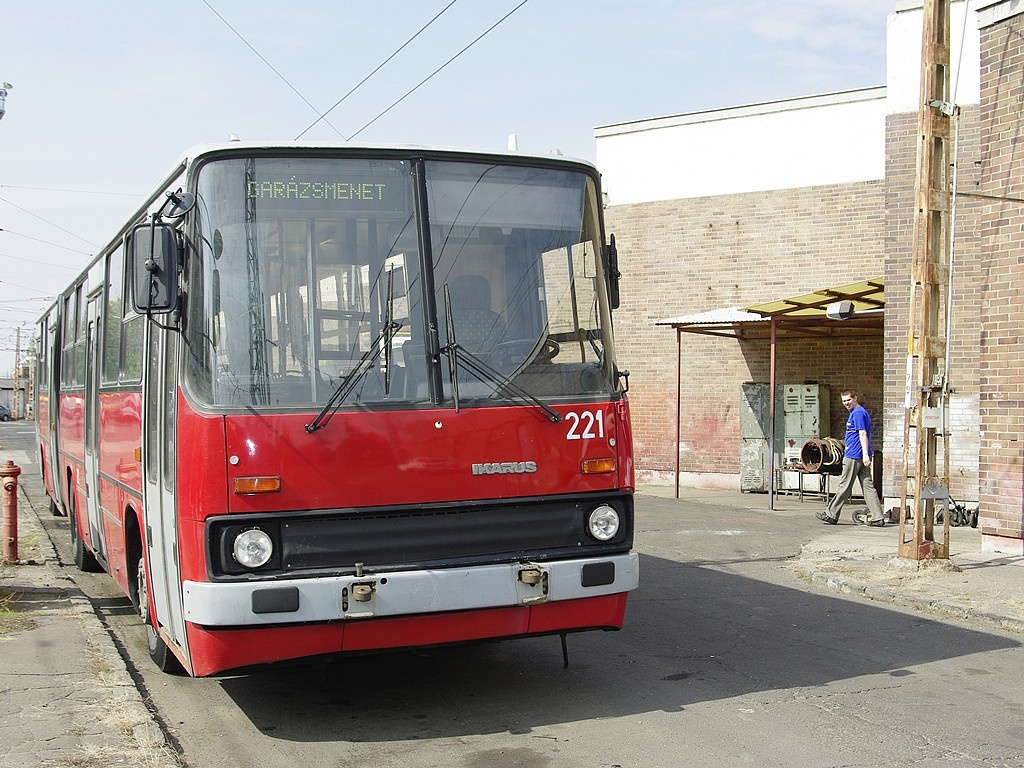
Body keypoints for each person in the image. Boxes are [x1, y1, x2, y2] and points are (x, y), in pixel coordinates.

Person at [816, 390, 886, 526]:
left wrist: (865, 454)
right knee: (868, 487)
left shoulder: (858, 413)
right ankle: (878, 517)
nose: (846, 403)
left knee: (844, 485)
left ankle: (831, 514)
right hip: (860, 456)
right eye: (844, 401)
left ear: (855, 398)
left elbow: (863, 433)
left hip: (854, 456)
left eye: (848, 400)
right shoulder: (859, 412)